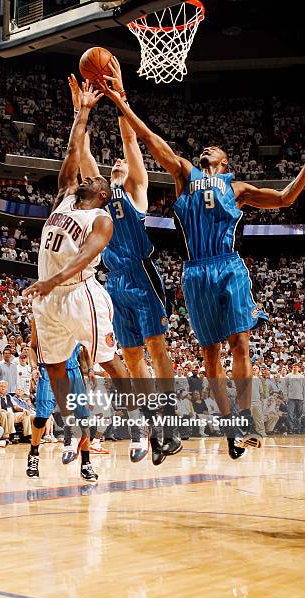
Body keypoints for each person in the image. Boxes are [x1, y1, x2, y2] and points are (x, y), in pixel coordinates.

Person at [100, 73, 305, 459]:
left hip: (228, 267)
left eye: (213, 148)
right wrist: (121, 102)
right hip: (195, 273)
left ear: (224, 162)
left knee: (240, 341)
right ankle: (230, 427)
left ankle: (243, 418)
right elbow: (148, 140)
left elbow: (284, 198)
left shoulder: (237, 188)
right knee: (210, 355)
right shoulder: (183, 173)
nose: (206, 149)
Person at [23, 82, 140, 479]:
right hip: (49, 296)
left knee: (109, 362)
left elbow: (87, 256)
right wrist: (83, 112)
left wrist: (51, 280)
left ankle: (140, 423)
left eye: (94, 179)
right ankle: (72, 425)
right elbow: (74, 151)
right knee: (55, 367)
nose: (86, 177)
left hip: (78, 293)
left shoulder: (100, 219)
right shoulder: (65, 198)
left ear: (104, 193)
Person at [69, 65, 181, 466]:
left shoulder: (134, 190)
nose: (115, 164)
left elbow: (131, 138)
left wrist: (119, 96)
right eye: (109, 164)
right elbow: (83, 158)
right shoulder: (97, 195)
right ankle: (153, 427)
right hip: (115, 282)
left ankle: (168, 421)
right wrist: (79, 112)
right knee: (132, 358)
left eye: (118, 163)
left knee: (156, 347)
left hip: (142, 273)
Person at [26, 318, 95, 479]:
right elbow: (32, 347)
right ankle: (34, 454)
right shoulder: (39, 316)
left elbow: (85, 348)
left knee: (83, 419)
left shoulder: (74, 313)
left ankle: (86, 463)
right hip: (47, 369)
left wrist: (90, 368)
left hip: (73, 370)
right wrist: (34, 368)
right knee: (41, 418)